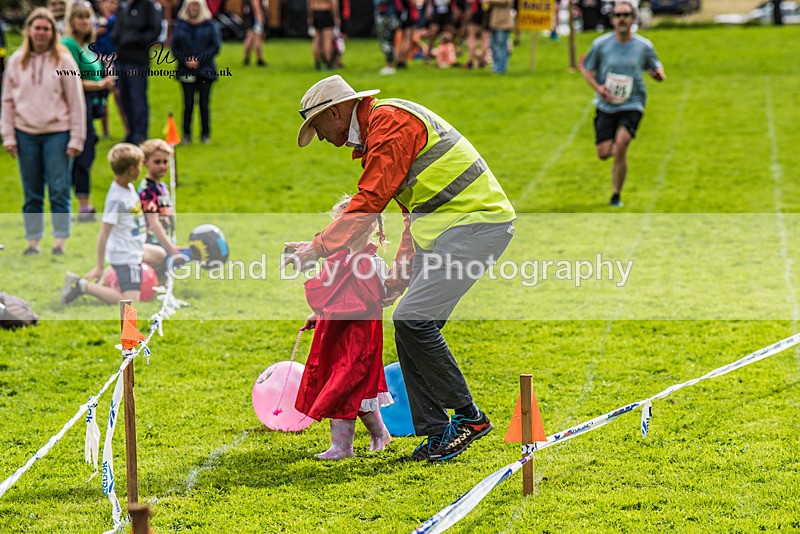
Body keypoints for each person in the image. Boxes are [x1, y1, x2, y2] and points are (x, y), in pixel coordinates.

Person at [286, 75, 516, 462]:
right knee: (411, 326)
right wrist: (401, 274)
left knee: (413, 320)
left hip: (475, 225)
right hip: (453, 228)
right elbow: (412, 213)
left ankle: (468, 417)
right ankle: (438, 432)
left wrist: (318, 248)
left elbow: (371, 199)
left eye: (319, 127)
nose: (322, 139)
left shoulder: (388, 124)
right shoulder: (383, 127)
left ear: (337, 112)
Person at [294, 195, 394, 460]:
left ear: (370, 226)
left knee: (343, 383)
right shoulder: (338, 259)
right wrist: (318, 313)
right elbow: (333, 293)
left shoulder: (371, 263)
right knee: (350, 386)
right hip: (335, 332)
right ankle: (380, 433)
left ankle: (341, 447)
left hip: (359, 336)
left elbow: (370, 300)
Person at [1, 8, 85, 256]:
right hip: (25, 132)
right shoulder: (16, 61)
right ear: (28, 30)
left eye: (46, 29)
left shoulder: (64, 61)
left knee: (59, 188)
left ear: (53, 32)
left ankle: (60, 240)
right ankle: (33, 241)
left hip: (57, 133)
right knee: (32, 190)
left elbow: (76, 100)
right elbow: (7, 101)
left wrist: (77, 137)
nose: (40, 33)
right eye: (37, 28)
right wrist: (8, 135)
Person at [579, 0, 665, 207]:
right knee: (603, 153)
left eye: (626, 15)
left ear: (633, 18)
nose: (622, 19)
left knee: (621, 148)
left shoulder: (644, 46)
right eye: (618, 16)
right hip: (607, 104)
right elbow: (586, 69)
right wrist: (599, 89)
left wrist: (658, 75)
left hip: (633, 103)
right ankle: (614, 154)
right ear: (612, 19)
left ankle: (616, 195)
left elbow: (656, 67)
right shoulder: (601, 45)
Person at [61, 143, 165, 305]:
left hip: (134, 247)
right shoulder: (116, 199)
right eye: (139, 165)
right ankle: (81, 286)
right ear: (131, 170)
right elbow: (104, 234)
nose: (141, 169)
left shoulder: (128, 187)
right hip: (126, 255)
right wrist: (99, 266)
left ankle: (114, 279)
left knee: (160, 254)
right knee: (130, 301)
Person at [62, 2, 117, 223]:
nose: (85, 22)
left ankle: (82, 204)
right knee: (80, 155)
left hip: (89, 105)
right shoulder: (68, 45)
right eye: (80, 18)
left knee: (87, 152)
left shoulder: (85, 46)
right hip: (75, 106)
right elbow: (69, 80)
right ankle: (80, 207)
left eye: (88, 18)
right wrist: (101, 84)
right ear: (72, 20)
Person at [111, 0, 163, 145]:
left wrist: (135, 41)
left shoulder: (147, 5)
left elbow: (155, 30)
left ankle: (140, 134)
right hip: (121, 58)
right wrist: (117, 39)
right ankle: (131, 131)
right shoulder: (123, 6)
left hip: (137, 60)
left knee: (137, 96)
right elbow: (117, 30)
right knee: (125, 97)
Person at [171, 0, 222, 145]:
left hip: (205, 70)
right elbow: (175, 47)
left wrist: (199, 59)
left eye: (196, 6)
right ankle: (186, 134)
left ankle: (205, 134)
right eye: (191, 6)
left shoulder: (210, 25)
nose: (193, 9)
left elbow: (215, 47)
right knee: (187, 103)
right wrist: (185, 60)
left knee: (204, 103)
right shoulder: (181, 26)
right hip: (185, 70)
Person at [138, 139, 180, 257]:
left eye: (165, 162)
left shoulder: (163, 187)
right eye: (157, 162)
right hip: (153, 245)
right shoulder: (148, 190)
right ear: (145, 163)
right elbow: (153, 222)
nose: (162, 166)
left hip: (165, 243)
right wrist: (171, 248)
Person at [94, 0, 127, 140]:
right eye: (109, 2)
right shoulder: (93, 21)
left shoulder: (118, 20)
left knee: (119, 96)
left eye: (115, 3)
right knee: (102, 98)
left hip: (114, 61)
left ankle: (128, 129)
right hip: (96, 62)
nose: (112, 6)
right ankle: (105, 130)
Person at [308, 0, 339, 71]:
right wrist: (335, 16)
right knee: (327, 40)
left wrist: (310, 16)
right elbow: (333, 2)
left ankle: (317, 62)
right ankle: (328, 62)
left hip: (315, 11)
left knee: (316, 40)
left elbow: (309, 2)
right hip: (326, 12)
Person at [486, 0, 513, 74]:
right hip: (494, 21)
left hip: (504, 22)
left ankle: (500, 68)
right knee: (493, 46)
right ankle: (496, 66)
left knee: (501, 45)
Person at [242, 0, 266, 66]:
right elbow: (256, 5)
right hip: (255, 17)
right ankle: (259, 60)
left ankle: (246, 59)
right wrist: (260, 17)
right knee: (257, 38)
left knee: (249, 37)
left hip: (250, 16)